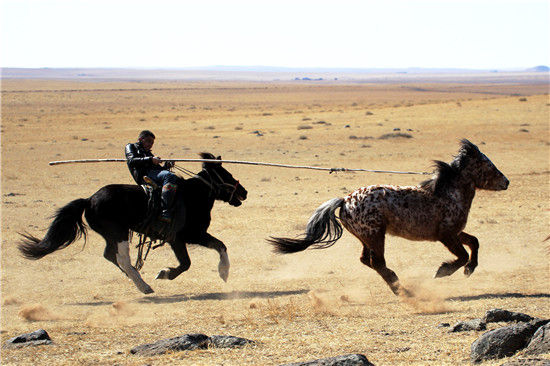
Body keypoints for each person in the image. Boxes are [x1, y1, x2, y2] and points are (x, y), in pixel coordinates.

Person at [125, 130, 178, 222]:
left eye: (152, 143)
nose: (150, 144)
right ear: (141, 139)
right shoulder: (131, 147)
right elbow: (131, 161)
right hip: (144, 174)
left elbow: (160, 171)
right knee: (169, 176)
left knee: (171, 176)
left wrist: (167, 165)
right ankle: (165, 211)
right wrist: (150, 160)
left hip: (153, 174)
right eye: (148, 141)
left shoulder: (149, 154)